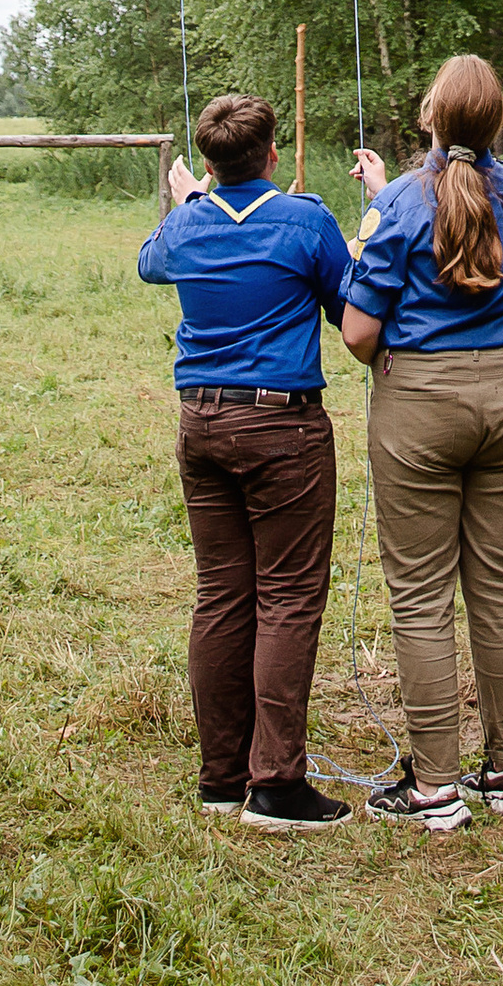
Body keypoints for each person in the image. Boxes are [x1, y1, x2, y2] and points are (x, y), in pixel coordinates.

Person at [137, 88, 355, 833]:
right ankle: (278, 785)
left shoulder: (187, 222)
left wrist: (183, 202)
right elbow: (346, 302)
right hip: (282, 426)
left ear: (206, 160)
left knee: (221, 596)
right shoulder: (306, 218)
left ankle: (222, 777)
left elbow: (148, 263)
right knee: (288, 597)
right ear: (269, 154)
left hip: (201, 422)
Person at [340, 53, 503, 834]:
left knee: (422, 595)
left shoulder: (397, 204)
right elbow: (463, 208)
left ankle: (434, 786)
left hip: (422, 403)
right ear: (496, 123)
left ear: (430, 116)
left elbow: (359, 334)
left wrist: (383, 206)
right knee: (498, 584)